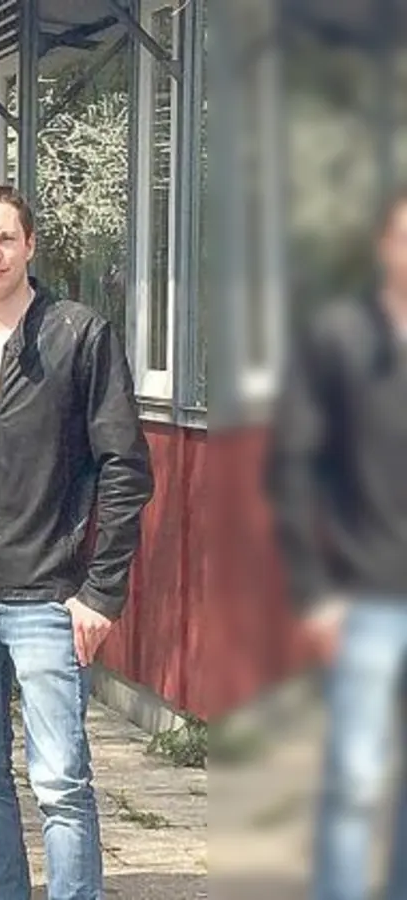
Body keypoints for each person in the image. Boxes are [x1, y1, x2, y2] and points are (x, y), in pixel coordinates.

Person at [0, 183, 153, 900]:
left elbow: (125, 468)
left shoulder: (78, 334)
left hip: (50, 596)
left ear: (29, 244)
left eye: (4, 238)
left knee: (59, 778)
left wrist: (100, 590)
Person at [266, 187, 407, 900]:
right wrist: (316, 591)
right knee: (355, 785)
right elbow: (293, 470)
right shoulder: (341, 340)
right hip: (368, 601)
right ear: (385, 247)